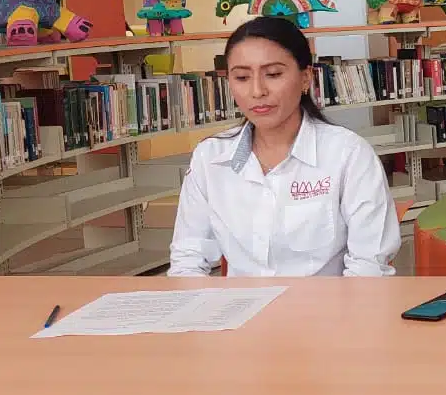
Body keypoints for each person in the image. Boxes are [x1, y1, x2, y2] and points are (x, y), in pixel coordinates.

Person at [168, 17, 400, 277]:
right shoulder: (209, 159)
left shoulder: (348, 155)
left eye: (274, 74)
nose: (257, 91)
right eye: (242, 77)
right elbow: (188, 259)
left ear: (305, 78)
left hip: (326, 314)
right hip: (240, 313)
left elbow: (369, 267)